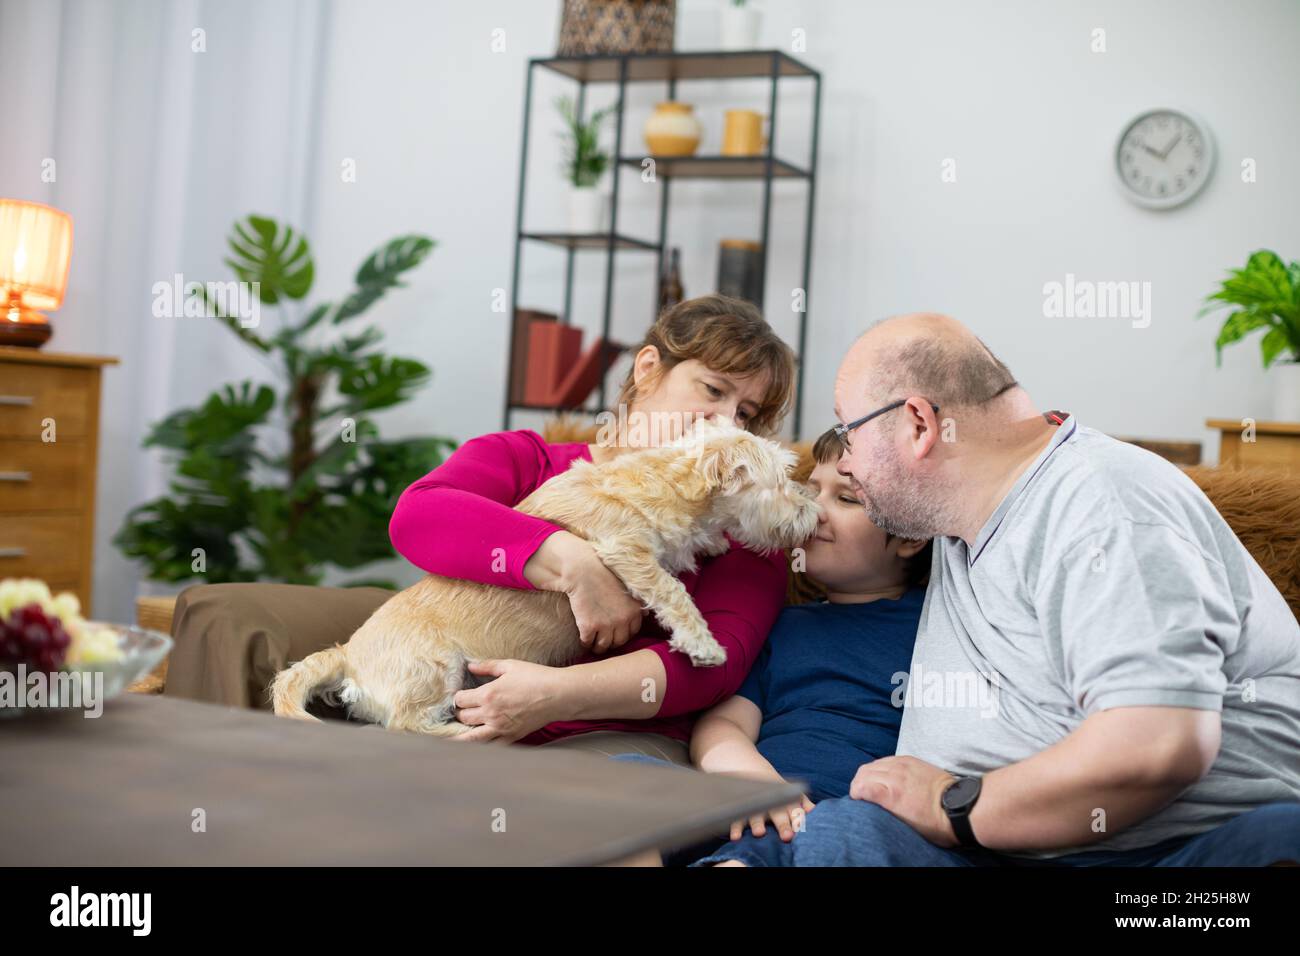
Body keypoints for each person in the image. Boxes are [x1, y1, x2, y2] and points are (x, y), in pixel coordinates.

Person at [721, 311, 1300, 866]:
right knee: (845, 832)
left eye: (849, 432)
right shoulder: (953, 513)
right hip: (997, 847)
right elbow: (710, 508)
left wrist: (950, 803)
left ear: (919, 426)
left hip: (1159, 852)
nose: (844, 464)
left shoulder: (1100, 504)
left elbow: (1157, 746)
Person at [612, 428, 931, 866]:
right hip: (750, 799)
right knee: (623, 776)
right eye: (810, 489)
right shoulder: (784, 624)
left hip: (837, 813)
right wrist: (755, 781)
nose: (813, 509)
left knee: (793, 842)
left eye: (847, 498)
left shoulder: (936, 629)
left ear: (911, 534)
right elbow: (724, 727)